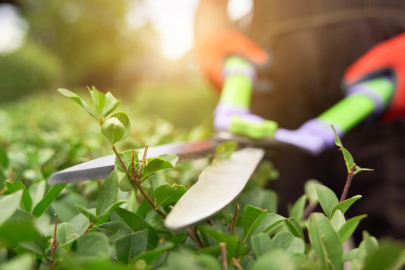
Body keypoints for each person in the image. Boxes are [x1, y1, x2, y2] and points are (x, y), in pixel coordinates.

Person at [194, 0, 405, 244]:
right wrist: (212, 28)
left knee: (394, 247)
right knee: (275, 239)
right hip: (277, 68)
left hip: (384, 52)